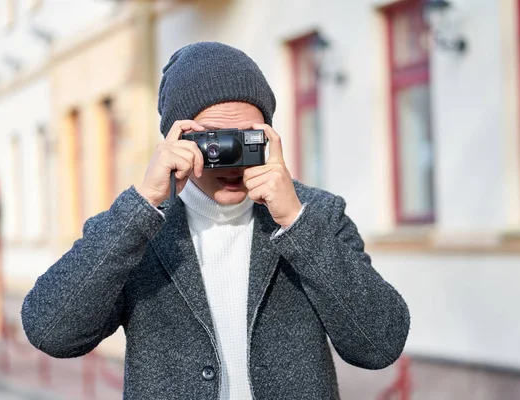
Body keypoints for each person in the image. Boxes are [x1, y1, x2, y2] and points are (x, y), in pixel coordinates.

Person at [21, 42, 410, 400]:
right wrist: (144, 204)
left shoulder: (316, 215)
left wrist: (296, 223)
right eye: (212, 140)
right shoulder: (138, 228)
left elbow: (379, 344)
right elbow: (51, 331)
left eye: (246, 138)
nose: (230, 157)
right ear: (177, 140)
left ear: (270, 134)